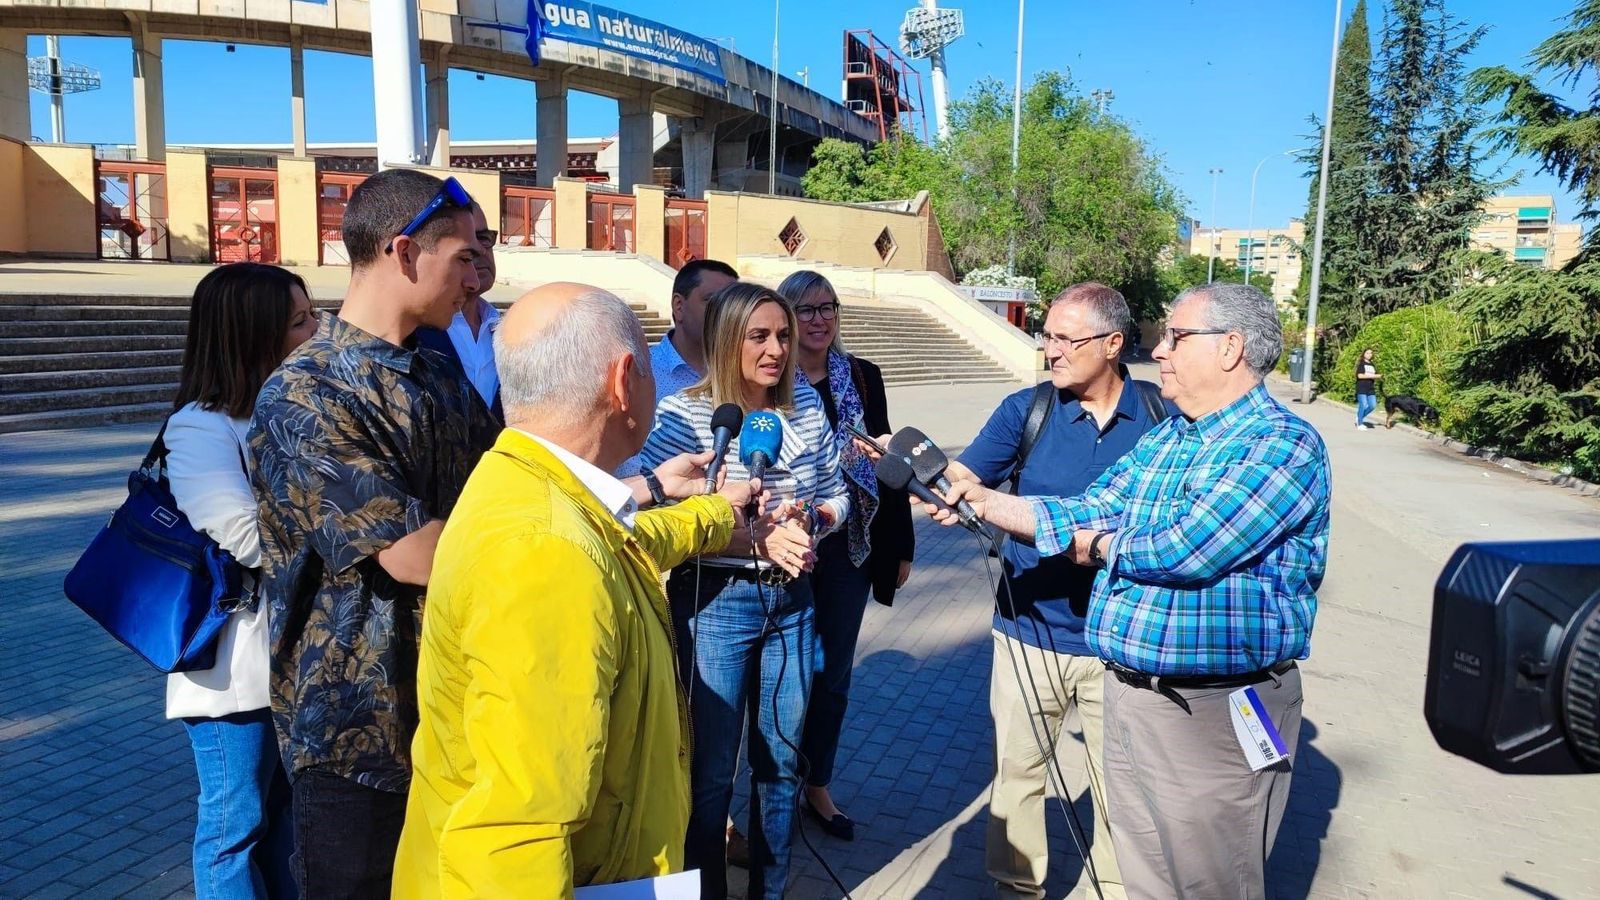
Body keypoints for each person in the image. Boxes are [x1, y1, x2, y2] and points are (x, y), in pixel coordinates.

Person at [926, 283, 1332, 900]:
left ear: (1230, 348)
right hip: (1135, 695)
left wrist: (1098, 547)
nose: (1159, 349)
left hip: (1215, 712)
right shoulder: (1172, 439)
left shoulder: (1279, 443)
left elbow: (1189, 548)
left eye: (1174, 336)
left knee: (1209, 883)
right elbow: (1091, 505)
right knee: (1143, 878)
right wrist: (985, 501)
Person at [393, 284, 760, 898]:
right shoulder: (546, 549)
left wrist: (716, 515)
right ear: (623, 381)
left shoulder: (532, 487)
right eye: (648, 367)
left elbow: (621, 546)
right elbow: (517, 832)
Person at [249, 169, 500, 898]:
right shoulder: (307, 391)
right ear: (404, 253)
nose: (478, 276)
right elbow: (414, 552)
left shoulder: (436, 374)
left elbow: (511, 485)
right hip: (357, 733)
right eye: (465, 256)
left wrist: (636, 492)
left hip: (455, 706)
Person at [951, 283, 1168, 900]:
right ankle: (1017, 888)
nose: (1051, 349)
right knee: (1018, 773)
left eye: (1065, 338)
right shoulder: (1028, 410)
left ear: (1113, 344)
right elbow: (968, 477)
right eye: (1047, 335)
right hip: (1029, 632)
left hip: (1120, 642)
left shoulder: (1161, 417)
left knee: (1119, 786)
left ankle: (1115, 889)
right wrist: (940, 484)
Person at [638, 281, 848, 900]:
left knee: (780, 767)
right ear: (728, 339)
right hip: (715, 606)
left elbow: (836, 490)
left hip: (793, 604)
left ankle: (770, 890)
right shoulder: (682, 415)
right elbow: (652, 525)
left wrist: (815, 520)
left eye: (783, 335)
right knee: (709, 777)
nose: (777, 349)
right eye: (760, 336)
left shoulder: (805, 403)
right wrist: (749, 538)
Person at [165, 262, 316, 900]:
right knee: (234, 827)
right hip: (232, 672)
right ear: (254, 336)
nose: (318, 332)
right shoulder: (201, 427)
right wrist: (337, 510)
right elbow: (247, 538)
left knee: (284, 822)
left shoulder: (275, 411)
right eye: (300, 322)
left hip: (287, 658)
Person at [779, 270, 915, 841]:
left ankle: (817, 784)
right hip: (783, 545)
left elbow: (887, 462)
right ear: (785, 315)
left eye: (827, 307)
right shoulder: (769, 375)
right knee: (782, 678)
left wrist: (900, 543)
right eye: (805, 309)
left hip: (850, 545)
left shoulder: (861, 375)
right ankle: (772, 788)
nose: (818, 319)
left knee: (831, 676)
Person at [415, 201, 504, 422]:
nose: (481, 251)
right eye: (468, 242)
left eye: (484, 238)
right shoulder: (411, 335)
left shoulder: (511, 331)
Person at [1354, 347, 1381, 430]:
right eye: (1367, 353)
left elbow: (1374, 375)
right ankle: (1360, 424)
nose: (1369, 355)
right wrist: (1373, 376)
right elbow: (1360, 376)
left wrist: (1378, 377)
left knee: (1372, 405)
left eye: (1371, 353)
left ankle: (1359, 417)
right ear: (1364, 354)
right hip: (1361, 387)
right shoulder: (1361, 364)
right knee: (1363, 404)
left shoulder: (1372, 365)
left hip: (1370, 388)